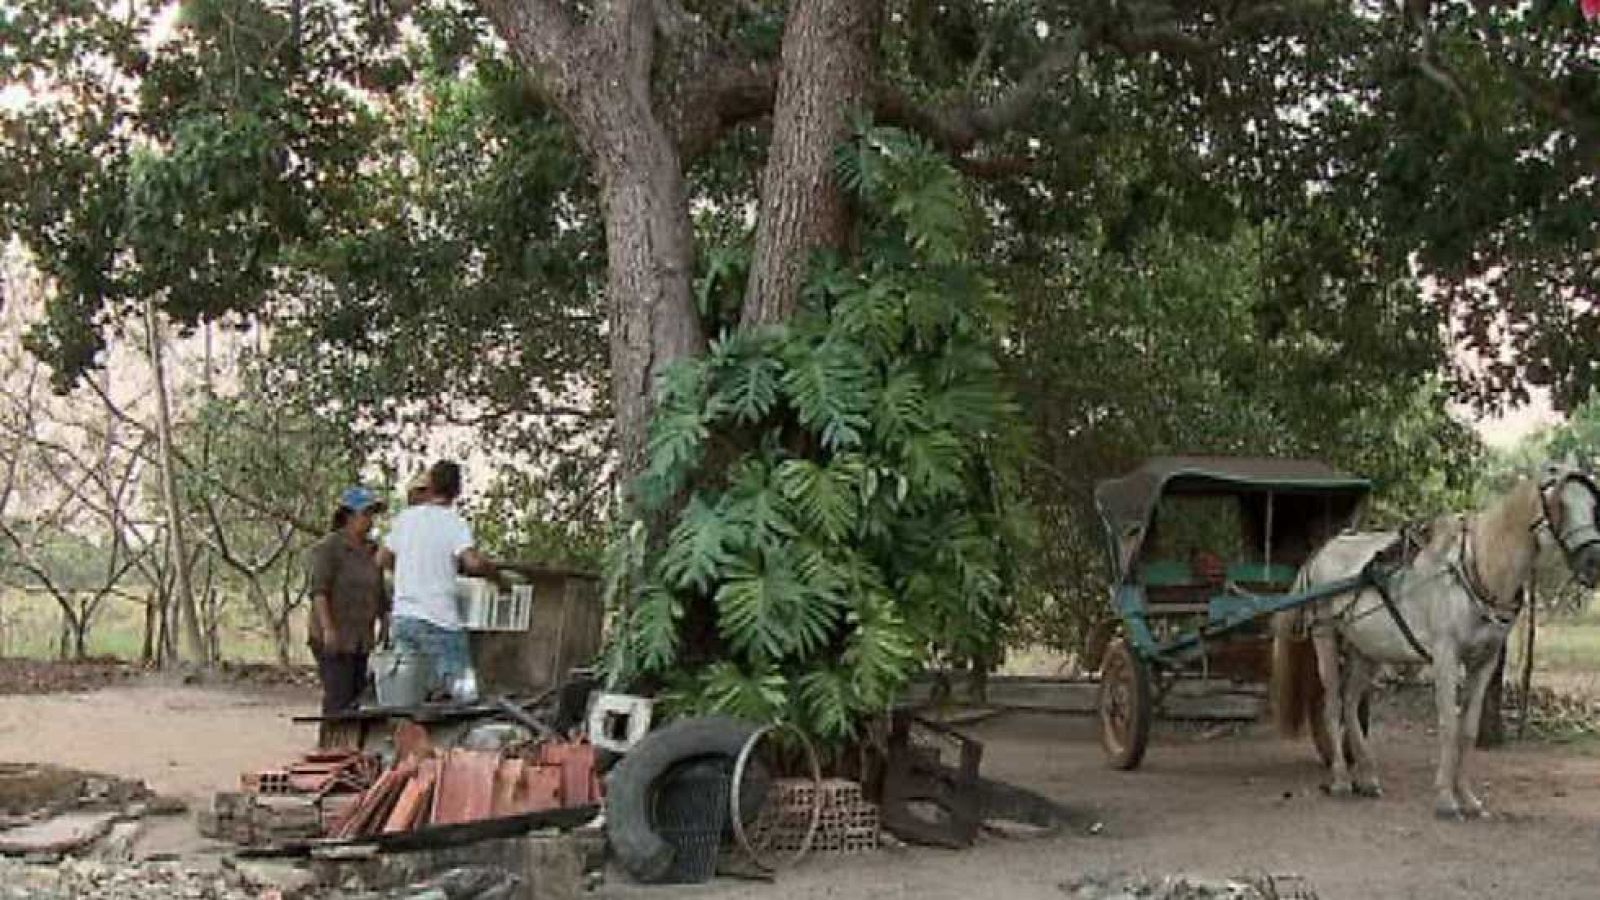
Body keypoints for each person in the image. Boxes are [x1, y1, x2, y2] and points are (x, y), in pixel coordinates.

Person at [377, 460, 498, 700]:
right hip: (439, 620)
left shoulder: (406, 519)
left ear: (429, 485)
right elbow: (472, 562)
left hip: (403, 619)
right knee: (465, 694)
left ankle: (407, 733)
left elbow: (381, 558)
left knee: (408, 694)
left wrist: (406, 572)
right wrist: (495, 573)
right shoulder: (454, 523)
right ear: (457, 492)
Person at [308, 486, 390, 714]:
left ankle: (350, 747)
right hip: (334, 636)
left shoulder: (373, 551)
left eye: (372, 515)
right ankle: (331, 745)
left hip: (361, 639)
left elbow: (380, 593)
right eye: (366, 514)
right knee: (338, 696)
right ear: (349, 516)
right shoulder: (329, 548)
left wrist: (384, 623)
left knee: (359, 698)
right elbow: (319, 592)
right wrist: (328, 629)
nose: (370, 521)